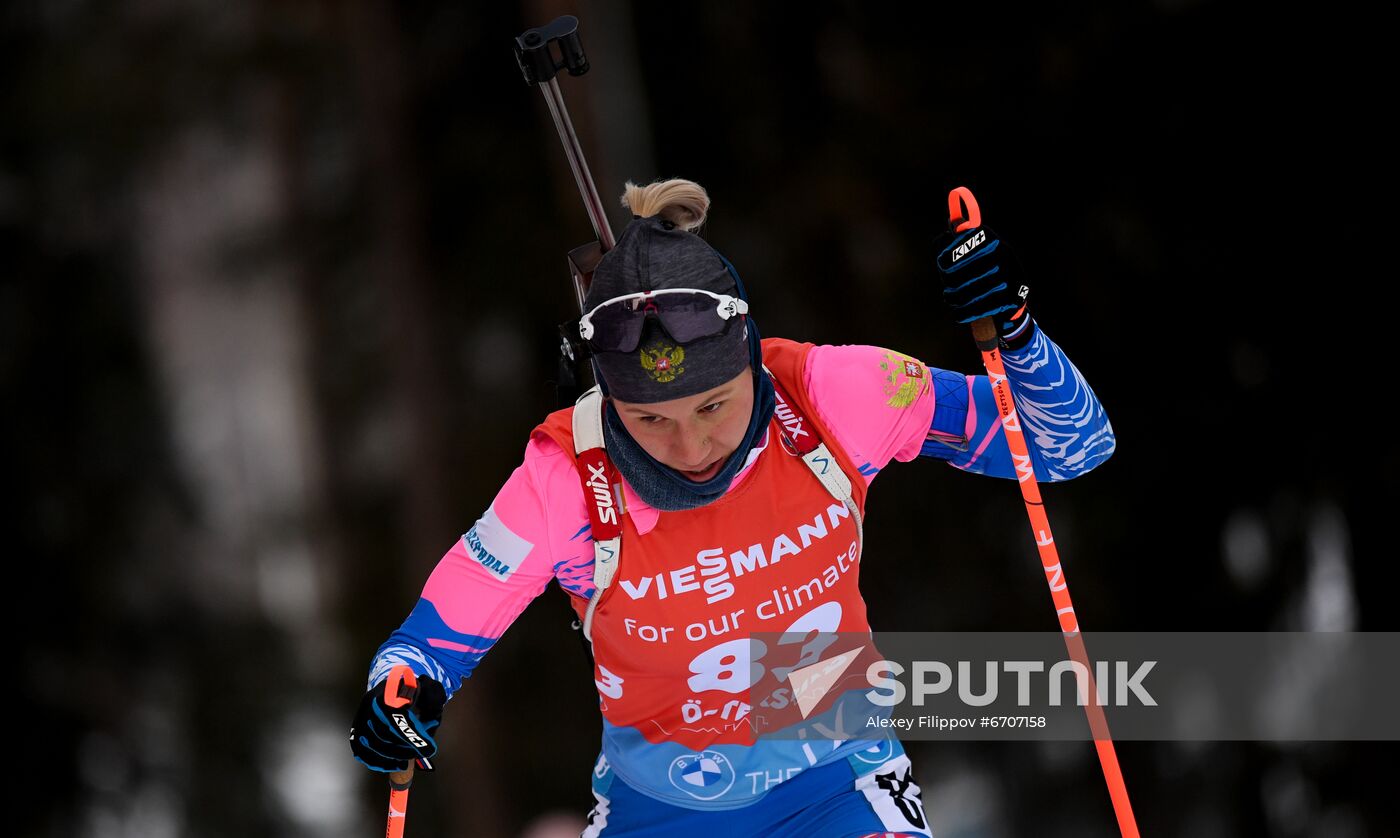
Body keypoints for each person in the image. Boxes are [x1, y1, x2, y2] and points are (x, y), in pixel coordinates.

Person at [349, 178, 1116, 837]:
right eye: (650, 420)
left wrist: (1015, 331)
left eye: (713, 405)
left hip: (840, 781)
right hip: (662, 806)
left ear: (751, 356)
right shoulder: (566, 477)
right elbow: (433, 641)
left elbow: (1067, 448)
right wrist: (398, 695)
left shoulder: (834, 396)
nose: (690, 445)